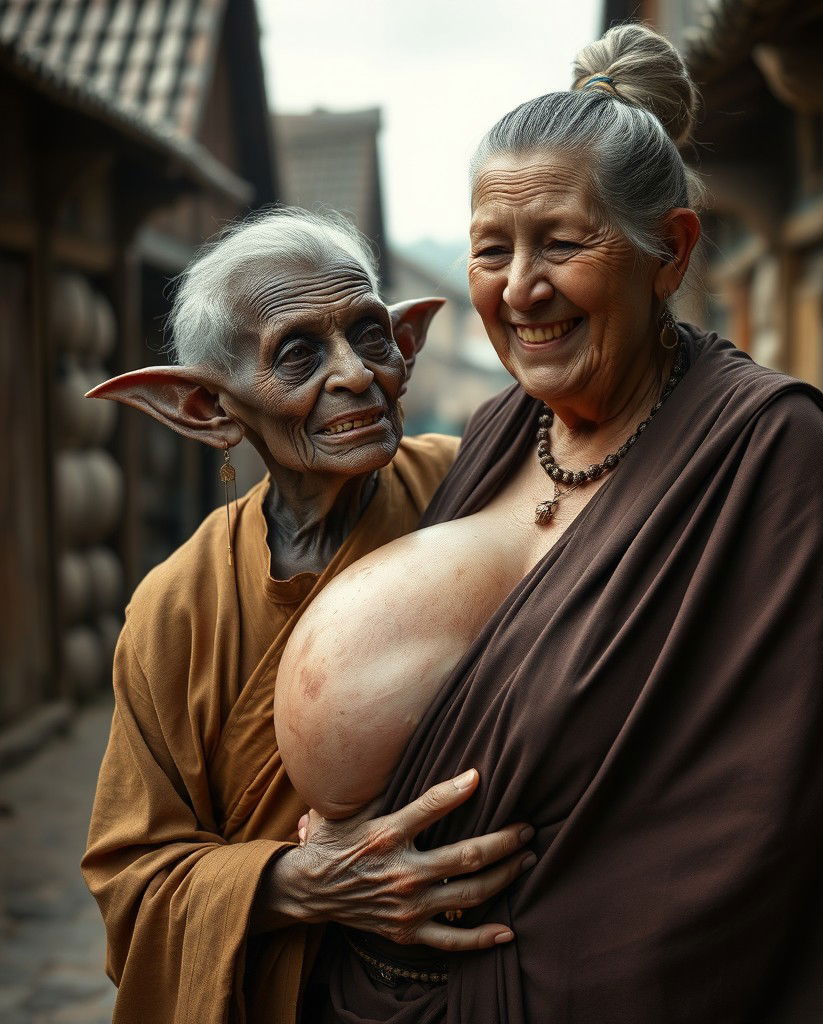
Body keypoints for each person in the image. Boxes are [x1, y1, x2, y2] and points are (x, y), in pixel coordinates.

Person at [276, 24, 823, 1023]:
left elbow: (769, 824)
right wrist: (312, 875)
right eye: (490, 250)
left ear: (667, 252)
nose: (518, 289)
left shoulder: (767, 452)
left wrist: (508, 972)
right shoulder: (499, 431)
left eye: (561, 242)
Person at [80, 209, 536, 1024]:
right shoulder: (179, 608)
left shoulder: (480, 487)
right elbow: (133, 874)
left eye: (368, 335)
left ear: (407, 344)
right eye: (298, 354)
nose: (356, 375)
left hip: (503, 966)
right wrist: (311, 884)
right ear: (204, 410)